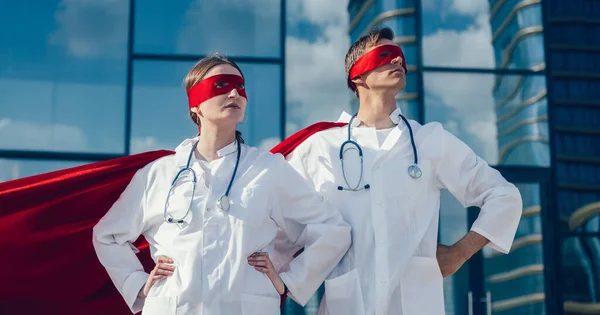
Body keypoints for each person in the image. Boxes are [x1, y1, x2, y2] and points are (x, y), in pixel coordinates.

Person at [276, 27, 523, 315]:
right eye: (385, 54)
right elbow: (275, 220)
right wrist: (281, 281)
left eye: (400, 57)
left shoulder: (430, 141)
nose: (397, 62)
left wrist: (459, 253)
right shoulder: (321, 146)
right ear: (357, 76)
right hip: (348, 305)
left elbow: (503, 194)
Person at [92, 55, 351, 315]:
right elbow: (108, 237)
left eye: (240, 87)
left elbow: (332, 228)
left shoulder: (268, 170)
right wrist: (138, 285)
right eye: (221, 85)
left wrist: (289, 281)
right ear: (195, 106)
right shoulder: (159, 174)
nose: (234, 93)